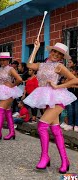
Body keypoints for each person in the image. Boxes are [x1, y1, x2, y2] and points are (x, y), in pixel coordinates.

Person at [24, 40, 78, 173]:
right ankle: (65, 161)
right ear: (50, 51)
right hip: (46, 99)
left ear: (61, 57)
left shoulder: (60, 67)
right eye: (54, 51)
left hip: (57, 99)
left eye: (59, 54)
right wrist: (36, 48)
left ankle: (44, 157)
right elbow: (29, 64)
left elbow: (75, 80)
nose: (56, 55)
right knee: (55, 130)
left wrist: (57, 86)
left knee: (42, 125)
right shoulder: (41, 65)